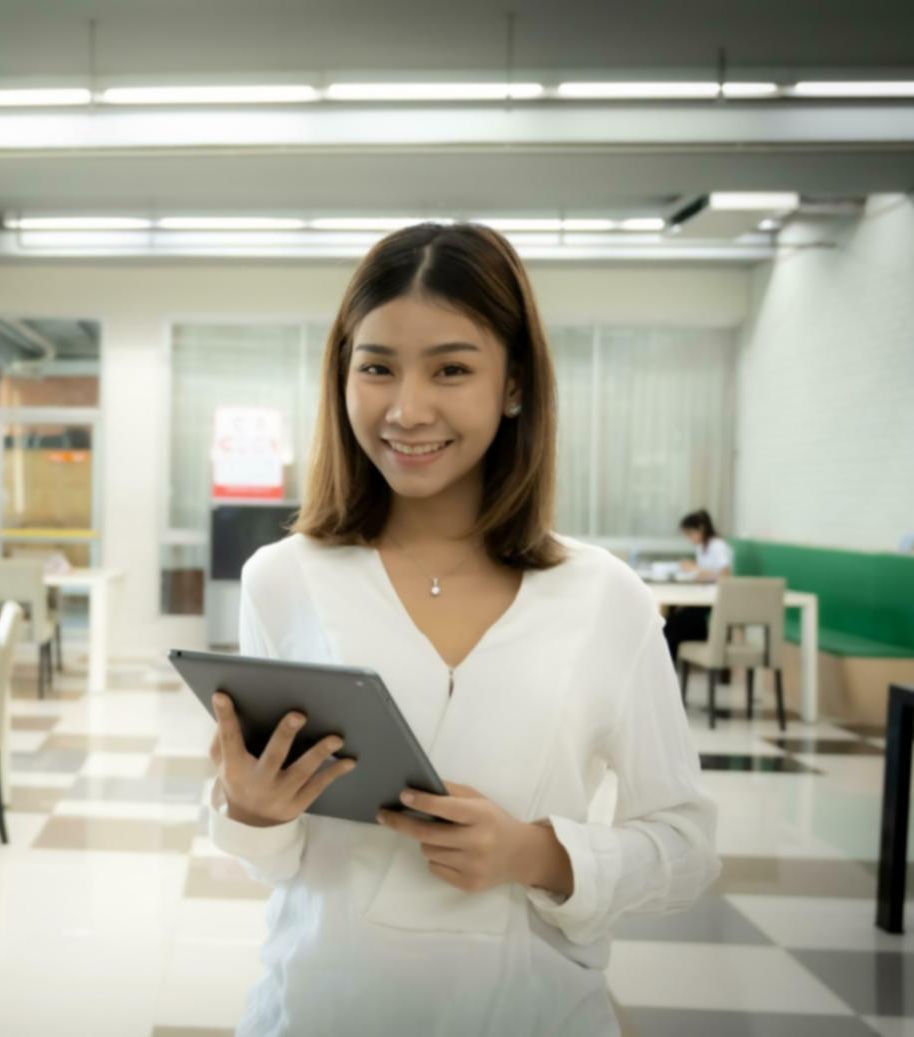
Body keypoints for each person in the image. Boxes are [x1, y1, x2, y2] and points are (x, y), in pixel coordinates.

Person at [206, 223, 718, 1036]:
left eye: (450, 368)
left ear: (513, 384)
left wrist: (537, 854)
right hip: (319, 1008)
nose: (407, 409)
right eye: (375, 367)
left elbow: (687, 845)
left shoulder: (602, 596)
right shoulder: (283, 577)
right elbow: (279, 863)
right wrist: (252, 810)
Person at [664, 509, 735, 661]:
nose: (689, 538)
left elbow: (725, 575)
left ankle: (671, 668)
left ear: (701, 529)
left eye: (690, 534)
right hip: (703, 597)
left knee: (671, 627)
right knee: (672, 621)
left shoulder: (717, 546)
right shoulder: (702, 547)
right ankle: (674, 665)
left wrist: (695, 569)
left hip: (715, 600)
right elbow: (706, 573)